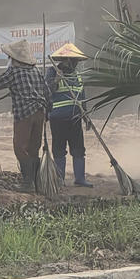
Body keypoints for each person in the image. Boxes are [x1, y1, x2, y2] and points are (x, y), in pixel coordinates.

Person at [0, 40, 50, 192]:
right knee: (34, 148)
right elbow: (46, 91)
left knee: (20, 147)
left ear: (14, 59)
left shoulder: (14, 72)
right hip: (40, 112)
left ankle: (28, 184)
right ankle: (36, 183)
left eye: (9, 57)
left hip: (24, 113)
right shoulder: (36, 71)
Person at [45, 43, 92, 187]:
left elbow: (81, 96)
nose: (75, 64)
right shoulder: (52, 72)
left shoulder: (77, 75)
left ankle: (80, 179)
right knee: (59, 150)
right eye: (73, 61)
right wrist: (56, 81)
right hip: (58, 119)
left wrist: (86, 116)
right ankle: (60, 180)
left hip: (75, 118)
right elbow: (46, 93)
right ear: (66, 60)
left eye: (76, 61)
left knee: (78, 149)